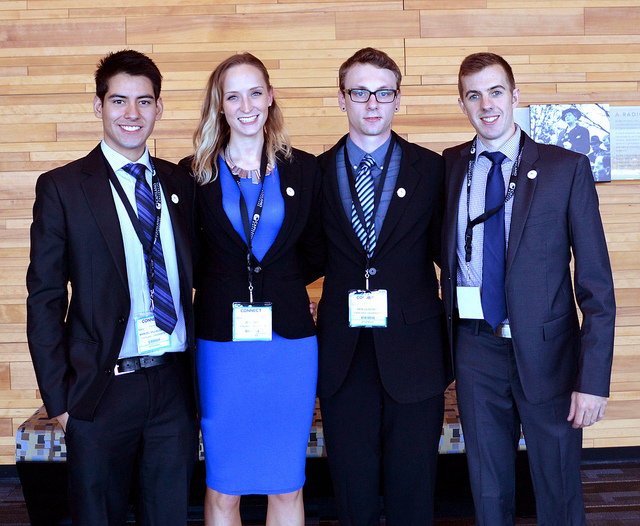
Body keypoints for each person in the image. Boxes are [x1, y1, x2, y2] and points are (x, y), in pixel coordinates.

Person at [441, 52, 616, 525]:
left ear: (515, 97)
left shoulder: (566, 168)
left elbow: (597, 285)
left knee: (557, 490)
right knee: (488, 489)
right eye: (473, 95)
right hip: (476, 350)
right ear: (462, 104)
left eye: (496, 92)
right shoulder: (451, 167)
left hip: (550, 356)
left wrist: (593, 381)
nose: (486, 105)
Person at [26, 49, 199, 525]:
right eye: (119, 101)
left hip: (172, 386)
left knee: (168, 516)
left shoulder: (179, 181)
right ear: (99, 107)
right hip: (100, 389)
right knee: (97, 516)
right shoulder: (62, 188)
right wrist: (60, 403)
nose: (132, 114)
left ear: (159, 109)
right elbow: (43, 299)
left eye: (144, 102)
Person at [180, 53, 324, 526]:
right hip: (223, 345)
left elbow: (318, 248)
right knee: (224, 484)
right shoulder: (193, 173)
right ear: (219, 105)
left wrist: (280, 286)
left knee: (287, 481)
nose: (246, 105)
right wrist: (229, 286)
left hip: (289, 346)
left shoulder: (303, 169)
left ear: (270, 97)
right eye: (233, 95)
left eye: (255, 92)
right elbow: (188, 258)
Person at [316, 47, 450, 526]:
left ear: (397, 99)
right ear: (341, 100)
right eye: (360, 92)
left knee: (414, 493)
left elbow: (450, 256)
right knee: (352, 493)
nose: (372, 103)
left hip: (414, 352)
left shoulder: (433, 170)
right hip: (342, 356)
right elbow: (301, 256)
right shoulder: (313, 172)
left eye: (383, 92)